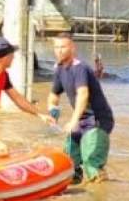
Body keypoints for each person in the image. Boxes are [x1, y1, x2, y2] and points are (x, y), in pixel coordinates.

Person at [0, 36, 57, 157]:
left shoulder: (2, 74)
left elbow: (18, 98)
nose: (14, 57)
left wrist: (40, 114)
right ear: (4, 58)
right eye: (12, 55)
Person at [49, 34, 115, 185]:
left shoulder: (80, 68)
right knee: (68, 162)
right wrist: (53, 110)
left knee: (91, 163)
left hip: (97, 120)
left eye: (63, 47)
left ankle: (99, 200)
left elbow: (83, 95)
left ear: (72, 48)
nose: (59, 51)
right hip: (80, 120)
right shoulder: (59, 69)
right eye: (56, 47)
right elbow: (53, 95)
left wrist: (73, 120)